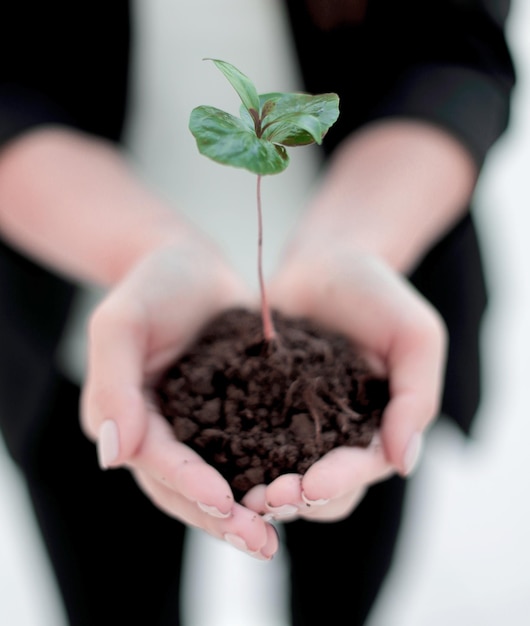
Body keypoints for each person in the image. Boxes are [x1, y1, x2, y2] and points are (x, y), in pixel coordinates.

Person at [0, 1, 515, 625]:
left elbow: (456, 50)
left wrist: (352, 246)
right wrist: (146, 249)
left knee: (342, 597)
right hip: (75, 326)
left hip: (362, 306)